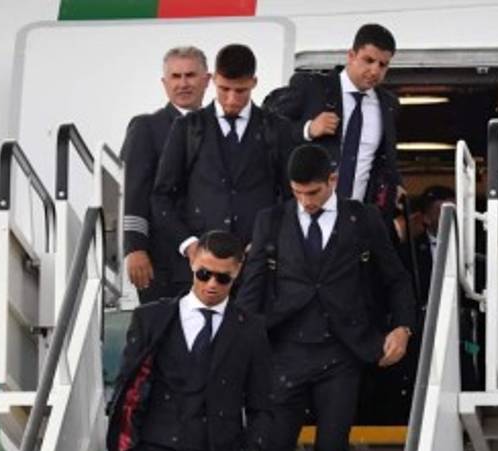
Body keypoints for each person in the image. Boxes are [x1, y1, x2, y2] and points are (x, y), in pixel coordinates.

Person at [236, 144, 415, 451]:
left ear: (333, 180)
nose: (306, 201)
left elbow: (396, 278)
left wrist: (403, 329)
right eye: (298, 192)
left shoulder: (363, 219)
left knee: (332, 450)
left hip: (342, 355)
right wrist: (244, 349)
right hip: (285, 354)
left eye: (313, 192)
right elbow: (252, 292)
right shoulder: (272, 220)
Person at [106, 230, 271, 451]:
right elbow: (126, 385)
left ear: (238, 273)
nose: (211, 284)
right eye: (204, 274)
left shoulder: (251, 330)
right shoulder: (151, 319)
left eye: (223, 278)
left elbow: (261, 402)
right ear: (192, 262)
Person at [152, 43, 300, 258]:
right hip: (201, 264)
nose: (231, 99)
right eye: (224, 89)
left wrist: (270, 239)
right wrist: (189, 245)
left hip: (259, 261)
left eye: (240, 90)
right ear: (213, 81)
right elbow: (161, 196)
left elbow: (293, 196)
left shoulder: (278, 128)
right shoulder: (187, 127)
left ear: (254, 82)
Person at [264, 24, 401, 217]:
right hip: (307, 214)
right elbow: (269, 126)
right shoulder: (313, 87)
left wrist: (394, 190)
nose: (374, 70)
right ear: (351, 56)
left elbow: (385, 160)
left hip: (357, 217)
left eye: (382, 64)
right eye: (368, 60)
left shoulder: (388, 104)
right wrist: (308, 129)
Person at [122, 46, 211, 303]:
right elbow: (135, 190)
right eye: (175, 76)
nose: (183, 84)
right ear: (164, 83)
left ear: (207, 80)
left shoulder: (218, 127)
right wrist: (135, 247)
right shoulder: (147, 127)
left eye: (190, 75)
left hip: (210, 260)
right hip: (162, 262)